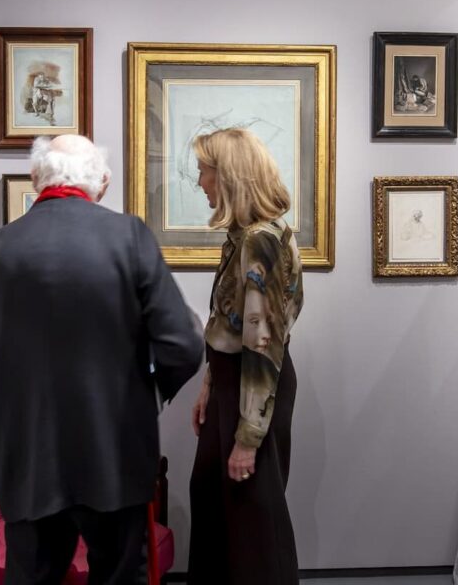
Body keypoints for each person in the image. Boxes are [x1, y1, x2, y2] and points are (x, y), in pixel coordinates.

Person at [0, 134, 204, 585]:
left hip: (27, 464)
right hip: (116, 458)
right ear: (101, 183)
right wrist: (145, 398)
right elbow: (183, 344)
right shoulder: (129, 236)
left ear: (36, 178)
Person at [187, 128, 304, 585]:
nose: (200, 182)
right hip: (232, 381)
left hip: (253, 386)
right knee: (218, 506)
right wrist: (209, 385)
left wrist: (247, 437)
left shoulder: (261, 239)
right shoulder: (244, 235)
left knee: (253, 522)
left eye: (204, 171)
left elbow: (262, 340)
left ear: (229, 176)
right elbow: (229, 320)